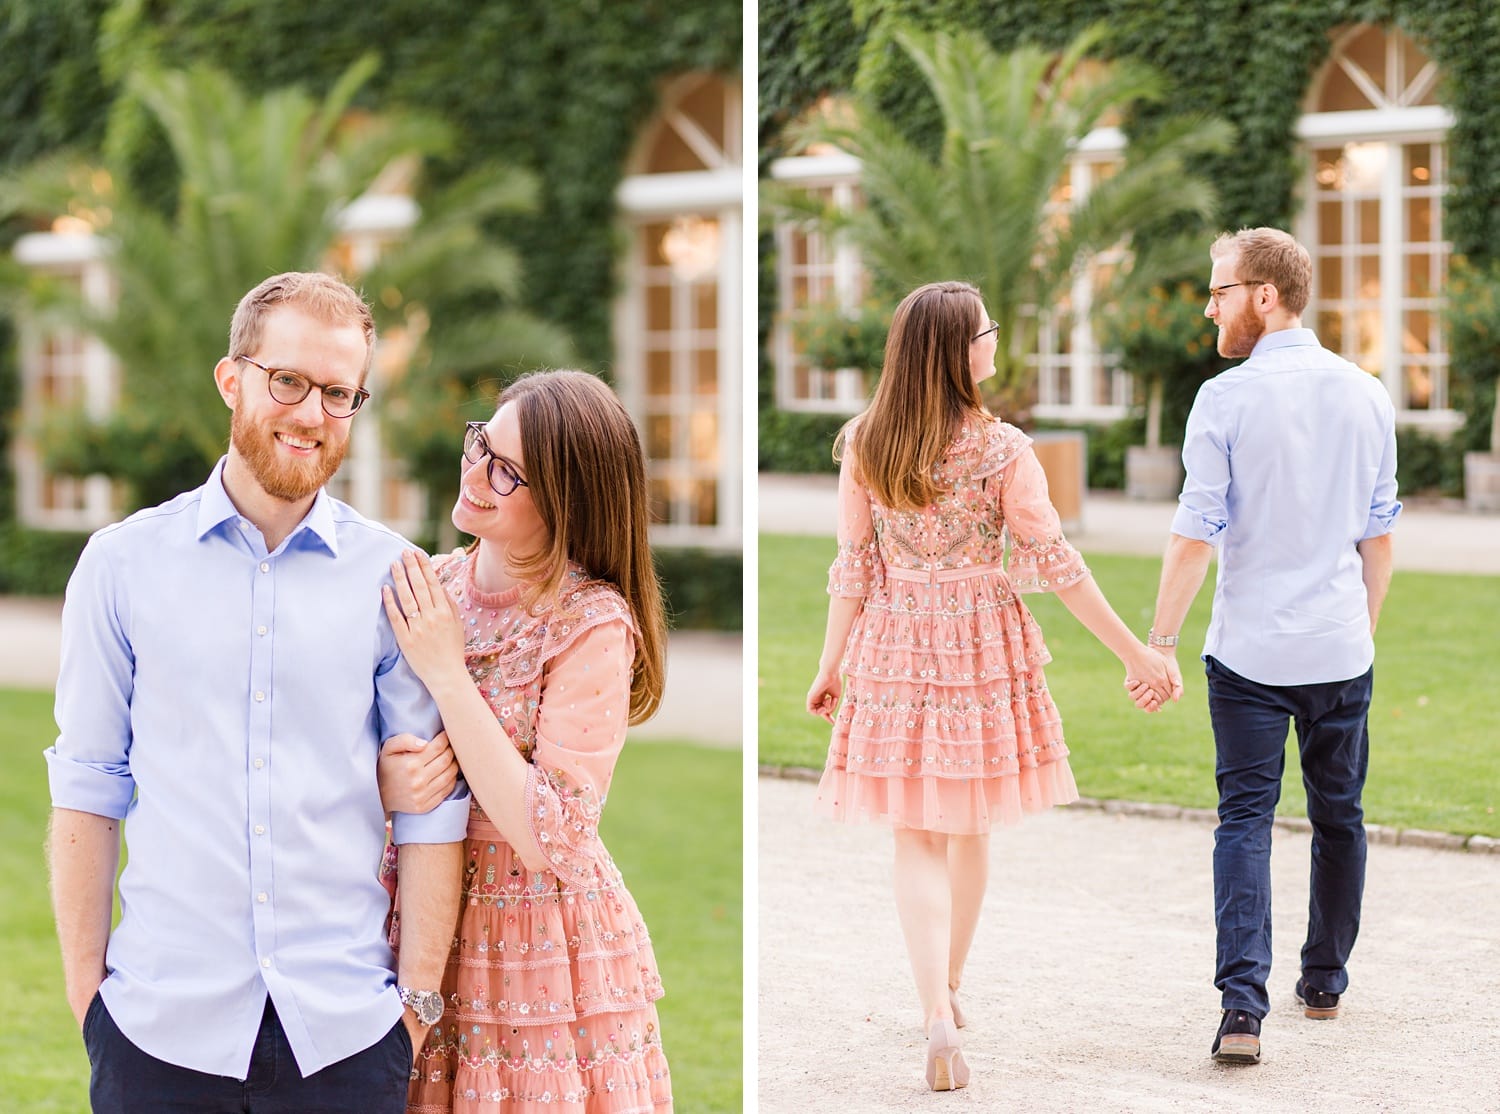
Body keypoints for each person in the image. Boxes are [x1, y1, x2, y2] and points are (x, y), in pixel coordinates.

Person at [45, 271, 470, 1112]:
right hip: (157, 1032)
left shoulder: (396, 577)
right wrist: (90, 1002)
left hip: (346, 1040)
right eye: (289, 382)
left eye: (339, 393)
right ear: (232, 379)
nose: (312, 414)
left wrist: (414, 1008)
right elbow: (87, 790)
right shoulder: (121, 566)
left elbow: (430, 806)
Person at [804, 281, 1176, 1092]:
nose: (995, 341)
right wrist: (1134, 654)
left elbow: (853, 569)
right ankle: (950, 992)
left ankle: (936, 1006)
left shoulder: (867, 442)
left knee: (914, 832)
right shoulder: (1004, 448)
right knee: (967, 828)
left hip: (894, 642)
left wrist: (830, 665)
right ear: (960, 351)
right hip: (980, 645)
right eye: (987, 331)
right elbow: (1059, 566)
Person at [378, 369, 673, 1112]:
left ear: (566, 500)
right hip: (415, 914)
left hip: (536, 949)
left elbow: (556, 833)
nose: (476, 474)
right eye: (482, 444)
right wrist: (383, 783)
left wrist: (449, 676)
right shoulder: (426, 586)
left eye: (508, 472)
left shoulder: (590, 623)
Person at [1141, 228, 1400, 1065]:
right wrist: (1355, 634)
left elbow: (1194, 535)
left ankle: (1242, 1013)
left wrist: (1161, 641)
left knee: (1245, 821)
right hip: (1339, 650)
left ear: (1264, 296)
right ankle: (1324, 982)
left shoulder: (1224, 399)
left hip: (1249, 656)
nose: (1209, 307)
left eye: (1219, 292)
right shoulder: (1368, 394)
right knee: (1340, 818)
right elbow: (1379, 540)